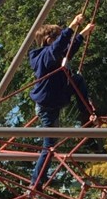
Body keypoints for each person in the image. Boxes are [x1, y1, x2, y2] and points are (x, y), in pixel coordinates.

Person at [28, 13, 96, 189]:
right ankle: (36, 182)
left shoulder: (54, 55)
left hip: (56, 99)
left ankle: (86, 114)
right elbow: (58, 48)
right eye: (58, 38)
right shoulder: (41, 57)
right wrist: (72, 26)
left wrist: (83, 34)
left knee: (78, 79)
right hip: (47, 106)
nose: (62, 41)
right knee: (49, 145)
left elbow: (68, 49)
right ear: (49, 40)